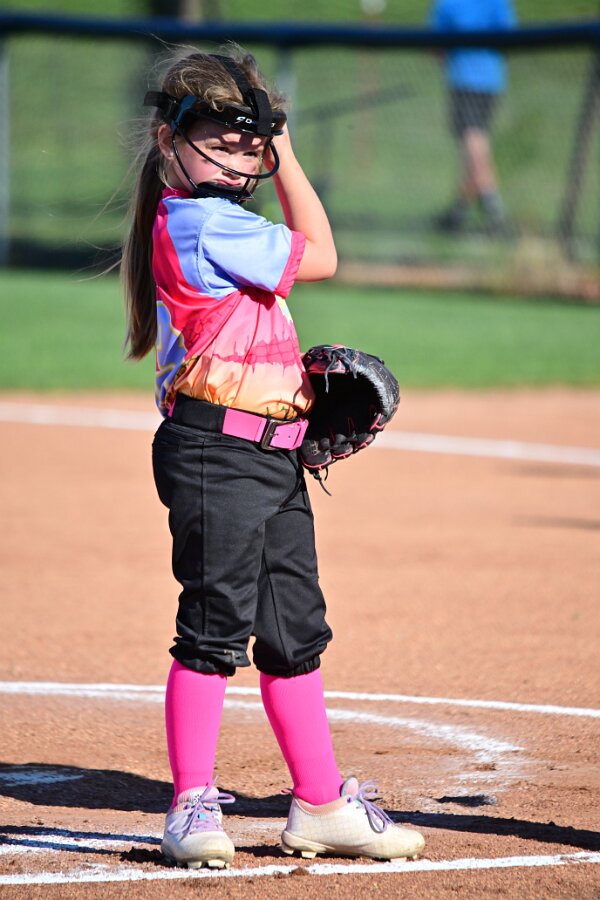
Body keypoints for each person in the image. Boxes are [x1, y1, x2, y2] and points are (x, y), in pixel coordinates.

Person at [122, 46, 425, 869]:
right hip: (215, 454)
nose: (237, 160)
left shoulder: (218, 221)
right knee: (213, 628)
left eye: (248, 145)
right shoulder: (203, 221)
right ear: (168, 141)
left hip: (270, 454)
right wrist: (286, 152)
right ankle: (191, 804)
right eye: (220, 142)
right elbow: (321, 252)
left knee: (294, 631)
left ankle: (321, 803)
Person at [429, 0, 517, 234]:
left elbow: (436, 47)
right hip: (491, 81)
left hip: (465, 81)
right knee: (475, 142)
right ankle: (459, 210)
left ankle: (491, 200)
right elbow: (508, 37)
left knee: (472, 139)